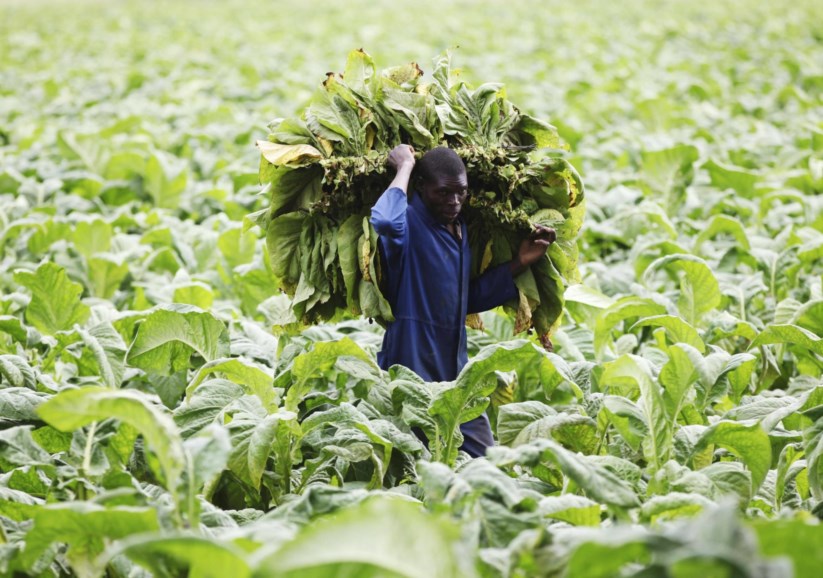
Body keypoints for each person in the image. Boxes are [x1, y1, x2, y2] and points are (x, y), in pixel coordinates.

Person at [370, 143, 556, 458]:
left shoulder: (458, 230)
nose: (454, 201)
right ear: (420, 187)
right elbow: (385, 220)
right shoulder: (409, 224)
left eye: (461, 193)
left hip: (455, 365)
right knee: (417, 461)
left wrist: (519, 263)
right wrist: (404, 166)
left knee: (484, 457)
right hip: (412, 360)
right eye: (443, 193)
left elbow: (462, 300)